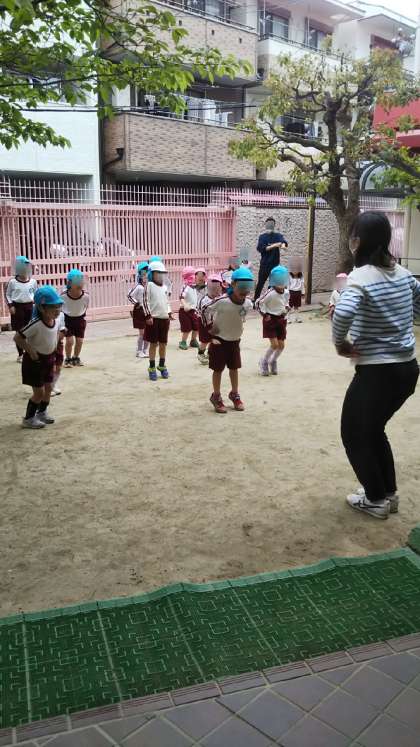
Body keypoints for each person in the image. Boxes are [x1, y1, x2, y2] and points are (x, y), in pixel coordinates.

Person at [333, 211, 420, 520]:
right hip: (407, 369)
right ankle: (387, 494)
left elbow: (343, 313)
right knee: (372, 430)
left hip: (378, 372)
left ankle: (374, 499)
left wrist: (340, 343)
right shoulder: (403, 273)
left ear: (356, 241)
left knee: (354, 434)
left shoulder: (361, 276)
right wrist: (403, 322)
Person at [202, 266, 254, 413]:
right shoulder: (222, 301)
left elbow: (241, 316)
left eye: (248, 286)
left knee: (234, 368)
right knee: (218, 369)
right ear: (233, 284)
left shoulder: (247, 303)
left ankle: (234, 394)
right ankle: (216, 396)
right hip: (219, 340)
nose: (245, 290)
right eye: (241, 286)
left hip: (235, 340)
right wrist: (209, 329)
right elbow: (204, 309)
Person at [14, 285, 64, 429]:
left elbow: (55, 335)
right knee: (39, 392)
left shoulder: (56, 321)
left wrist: (54, 351)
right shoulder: (35, 324)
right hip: (35, 362)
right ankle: (28, 419)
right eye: (52, 307)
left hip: (49, 360)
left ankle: (41, 413)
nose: (57, 310)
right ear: (42, 308)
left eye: (58, 306)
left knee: (49, 388)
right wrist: (30, 350)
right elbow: (18, 337)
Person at [256, 265, 289, 376]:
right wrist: (264, 314)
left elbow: (285, 302)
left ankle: (273, 360)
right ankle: (264, 361)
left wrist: (286, 308)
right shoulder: (270, 293)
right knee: (274, 345)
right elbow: (258, 303)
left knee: (281, 345)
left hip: (281, 320)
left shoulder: (286, 292)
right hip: (270, 321)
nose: (280, 283)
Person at [6, 256, 38, 362]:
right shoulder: (12, 282)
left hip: (30, 307)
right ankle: (21, 354)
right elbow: (8, 294)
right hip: (17, 308)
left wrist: (37, 306)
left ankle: (30, 352)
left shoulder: (33, 281)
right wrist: (11, 306)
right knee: (19, 331)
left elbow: (36, 294)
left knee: (31, 330)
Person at [143, 259, 171, 381]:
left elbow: (166, 301)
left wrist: (169, 312)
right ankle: (152, 367)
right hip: (153, 319)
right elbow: (145, 301)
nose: (160, 275)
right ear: (151, 274)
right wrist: (148, 315)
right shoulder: (149, 285)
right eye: (158, 273)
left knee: (163, 344)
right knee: (153, 344)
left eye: (162, 273)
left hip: (164, 319)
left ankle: (162, 365)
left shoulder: (164, 287)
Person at [254, 218, 288, 301]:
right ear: (265, 225)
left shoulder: (278, 235)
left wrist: (283, 246)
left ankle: (270, 300)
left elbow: (283, 242)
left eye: (272, 223)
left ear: (274, 225)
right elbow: (261, 248)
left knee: (273, 284)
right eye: (269, 223)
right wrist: (275, 245)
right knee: (260, 283)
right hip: (265, 264)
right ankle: (255, 300)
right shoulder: (262, 237)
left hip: (275, 265)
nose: (270, 225)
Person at [61, 269, 89, 367]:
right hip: (67, 320)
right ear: (69, 283)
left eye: (81, 281)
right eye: (76, 281)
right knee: (69, 341)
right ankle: (68, 359)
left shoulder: (86, 296)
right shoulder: (63, 296)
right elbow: (60, 308)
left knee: (79, 341)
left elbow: (85, 307)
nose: (80, 284)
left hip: (80, 320)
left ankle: (76, 358)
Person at [197, 273, 223, 365]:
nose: (216, 290)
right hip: (204, 322)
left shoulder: (220, 298)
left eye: (218, 287)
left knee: (216, 339)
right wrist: (208, 325)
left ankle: (210, 353)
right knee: (205, 340)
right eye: (213, 288)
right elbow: (203, 314)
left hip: (215, 322)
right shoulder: (204, 300)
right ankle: (200, 353)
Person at [128, 261, 149, 358]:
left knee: (148, 332)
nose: (145, 276)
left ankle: (145, 350)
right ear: (139, 275)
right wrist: (136, 303)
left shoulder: (149, 286)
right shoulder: (139, 287)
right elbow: (130, 295)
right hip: (139, 311)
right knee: (142, 332)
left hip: (148, 311)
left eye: (147, 273)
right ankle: (139, 351)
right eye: (143, 274)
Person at [179, 266, 199, 350]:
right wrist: (185, 305)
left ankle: (193, 340)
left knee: (196, 326)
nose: (195, 277)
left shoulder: (195, 287)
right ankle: (183, 341)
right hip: (185, 311)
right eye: (193, 275)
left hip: (193, 311)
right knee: (187, 328)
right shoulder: (186, 287)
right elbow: (181, 297)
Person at [51, 311, 67, 396]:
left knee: (58, 366)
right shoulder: (42, 315)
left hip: (58, 344)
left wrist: (62, 334)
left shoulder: (61, 314)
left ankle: (53, 385)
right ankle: (47, 387)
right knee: (50, 367)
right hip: (47, 344)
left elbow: (62, 329)